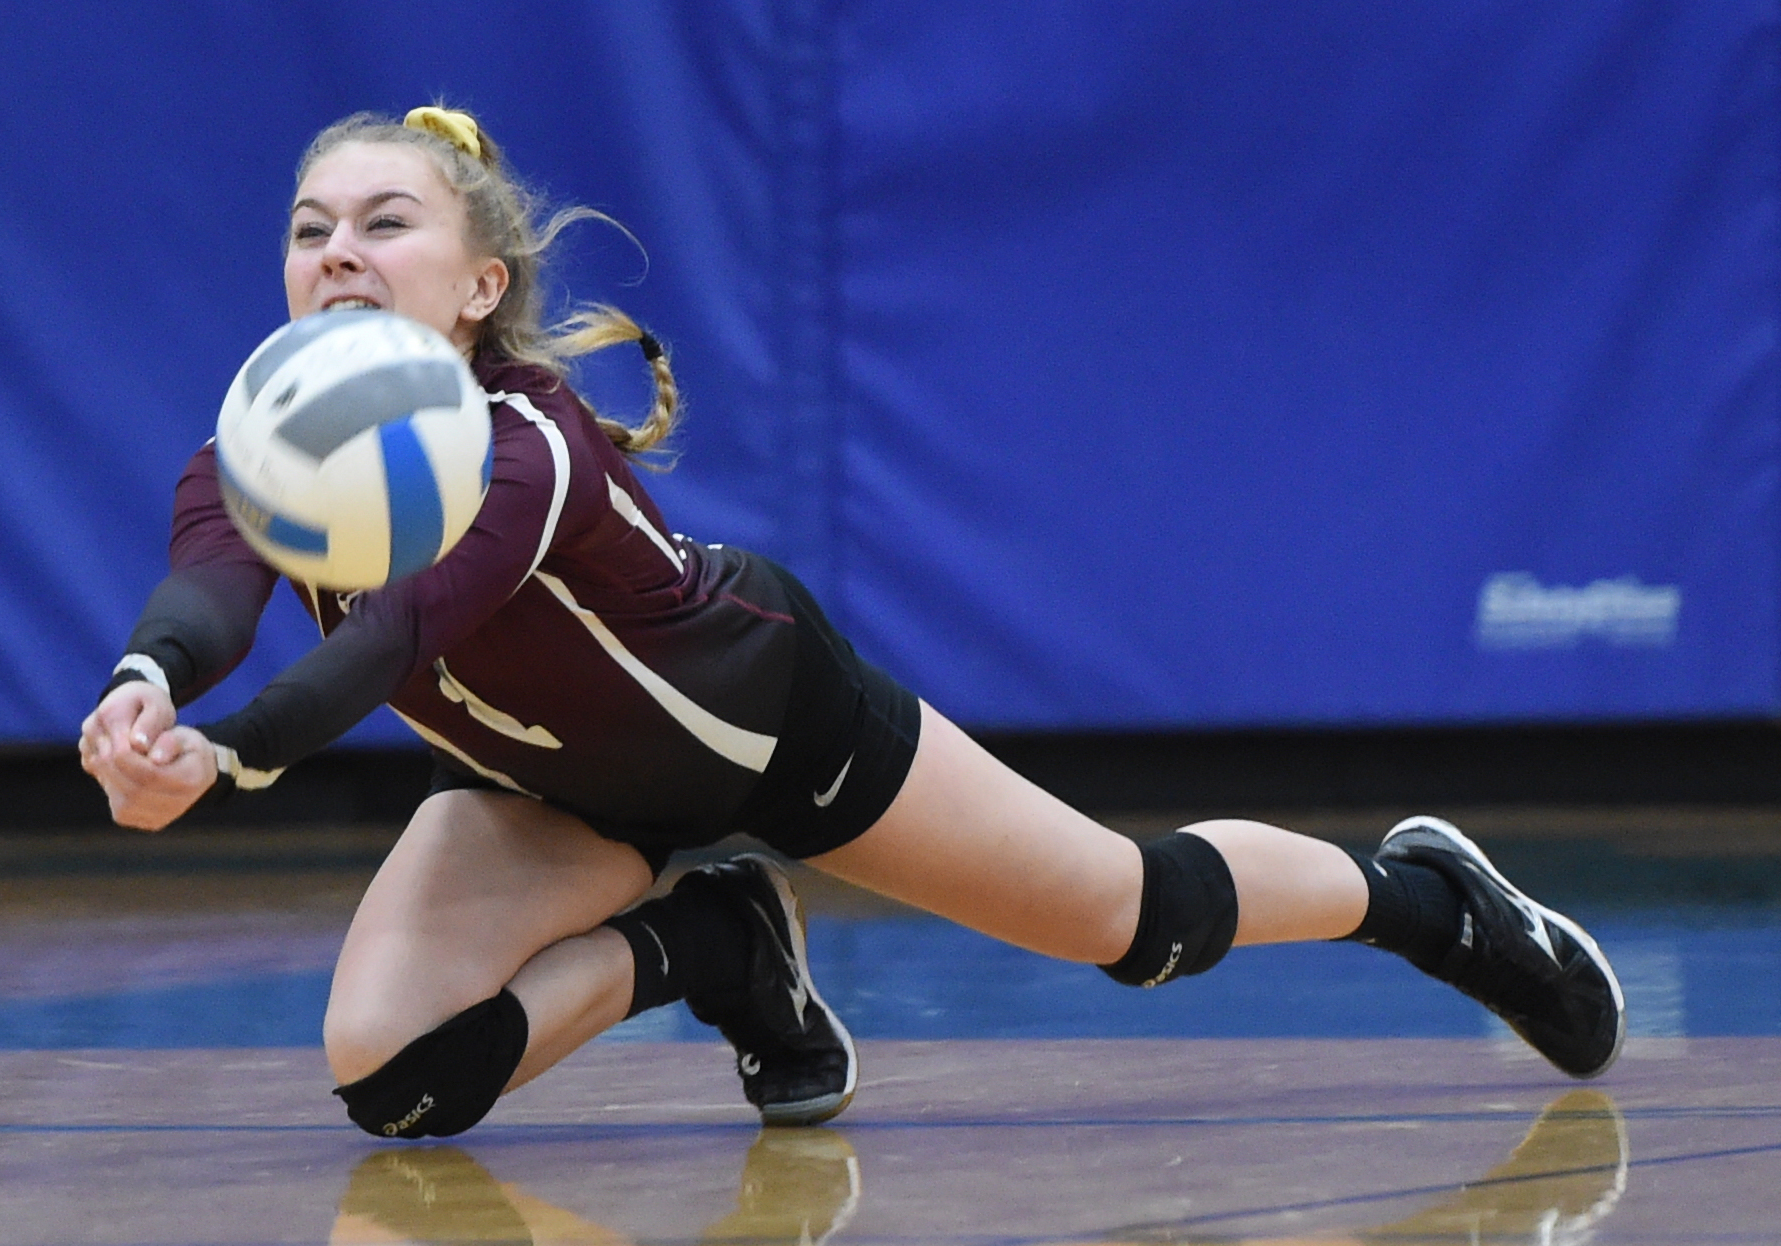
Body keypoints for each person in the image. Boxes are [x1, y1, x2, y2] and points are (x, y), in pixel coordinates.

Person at [79, 105, 1626, 1142]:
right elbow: (211, 588)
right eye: (309, 226)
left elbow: (401, 630)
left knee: (1137, 925)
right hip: (556, 793)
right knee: (397, 1077)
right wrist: (150, 688)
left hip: (774, 721)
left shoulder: (523, 439)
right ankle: (718, 942)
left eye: (383, 220)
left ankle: (1432, 901)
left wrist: (232, 762)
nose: (336, 248)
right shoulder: (254, 454)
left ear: (479, 283)